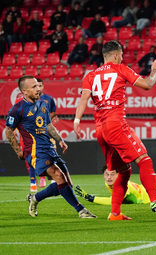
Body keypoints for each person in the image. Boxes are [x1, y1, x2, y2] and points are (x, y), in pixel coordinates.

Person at [74, 40, 156, 221]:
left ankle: (115, 213)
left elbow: (84, 99)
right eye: (121, 55)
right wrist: (154, 70)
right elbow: (147, 84)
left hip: (100, 129)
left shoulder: (91, 75)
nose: (122, 58)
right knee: (144, 160)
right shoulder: (121, 68)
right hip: (115, 124)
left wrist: (77, 121)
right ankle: (155, 200)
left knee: (124, 171)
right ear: (116, 55)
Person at [5, 75, 96, 218]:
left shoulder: (43, 103)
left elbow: (48, 126)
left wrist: (60, 139)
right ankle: (81, 210)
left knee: (67, 183)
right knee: (58, 175)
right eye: (34, 86)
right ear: (24, 91)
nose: (38, 89)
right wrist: (18, 150)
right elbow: (8, 130)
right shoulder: (17, 109)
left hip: (49, 148)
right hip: (35, 151)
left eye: (38, 85)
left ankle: (35, 198)